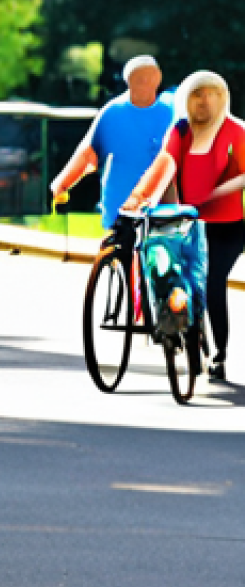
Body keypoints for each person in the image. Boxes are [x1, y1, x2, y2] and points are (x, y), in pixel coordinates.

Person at [123, 70, 245, 380]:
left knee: (212, 282)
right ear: (186, 100)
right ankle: (183, 332)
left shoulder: (235, 131)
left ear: (222, 98)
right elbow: (165, 166)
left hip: (226, 226)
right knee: (176, 276)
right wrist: (140, 198)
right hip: (187, 223)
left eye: (212, 95)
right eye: (197, 95)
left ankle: (219, 354)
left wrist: (217, 193)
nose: (205, 101)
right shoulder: (180, 131)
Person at [50, 55, 174, 230]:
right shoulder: (114, 113)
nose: (145, 83)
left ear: (158, 78)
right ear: (128, 81)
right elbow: (87, 154)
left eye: (150, 77)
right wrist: (62, 184)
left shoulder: (171, 111)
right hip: (120, 204)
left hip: (162, 207)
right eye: (139, 79)